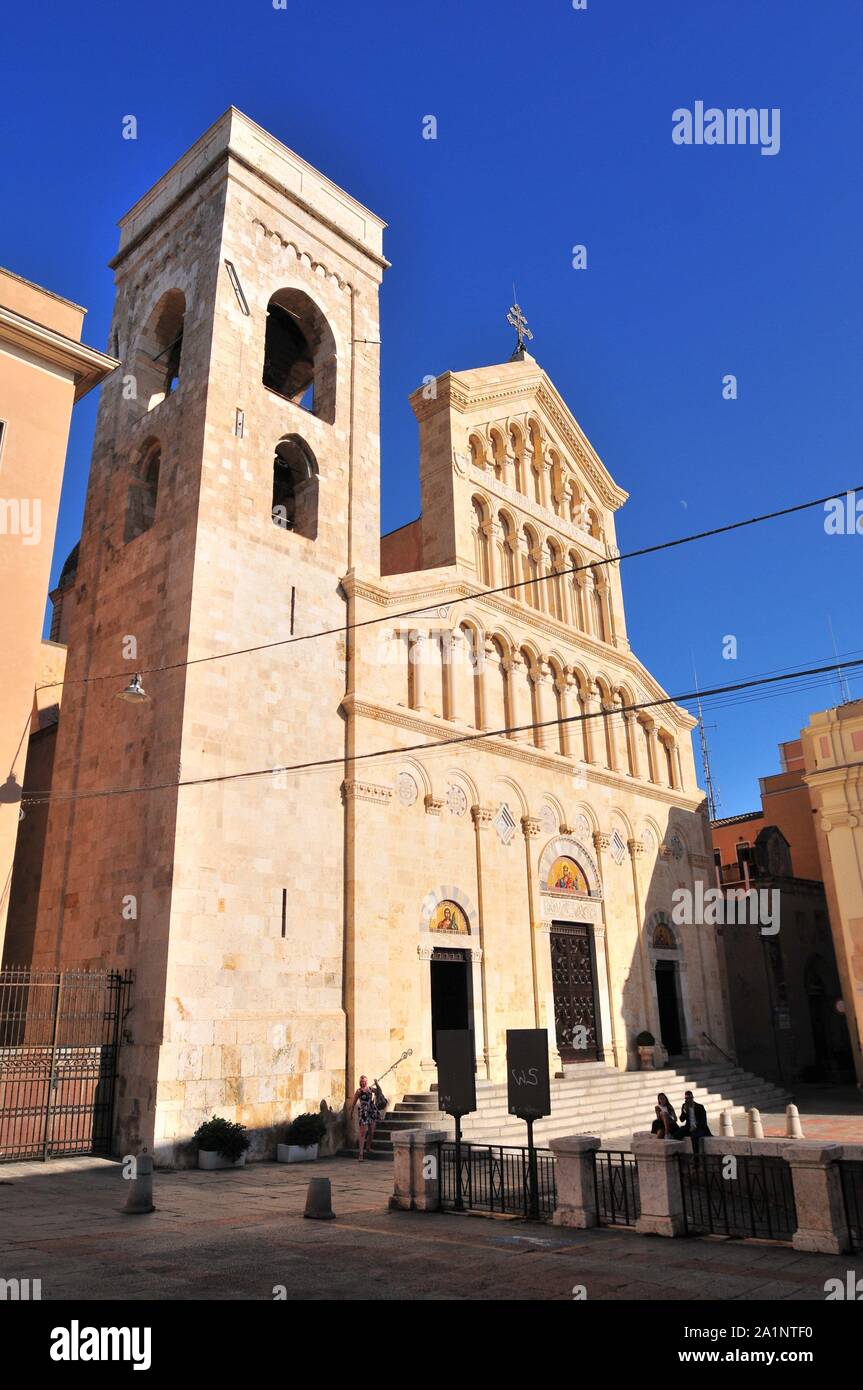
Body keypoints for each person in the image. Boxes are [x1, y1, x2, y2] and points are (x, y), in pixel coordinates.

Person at [349, 1074, 382, 1161]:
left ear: (367, 1082)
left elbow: (379, 1092)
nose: (363, 1083)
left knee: (371, 1131)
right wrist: (351, 1113)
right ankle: (360, 1154)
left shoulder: (370, 1089)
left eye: (364, 1081)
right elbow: (353, 1103)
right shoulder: (359, 1091)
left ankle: (368, 1147)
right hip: (363, 1112)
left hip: (372, 1111)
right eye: (361, 1081)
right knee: (362, 1132)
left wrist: (377, 1084)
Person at [679, 1090, 712, 1156]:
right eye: (686, 1099)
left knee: (694, 1137)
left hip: (699, 1127)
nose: (688, 1100)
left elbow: (703, 1121)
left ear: (693, 1098)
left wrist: (695, 1126)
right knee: (677, 1134)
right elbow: (681, 1120)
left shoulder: (700, 1107)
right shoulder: (684, 1106)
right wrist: (685, 1111)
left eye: (690, 1098)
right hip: (689, 1127)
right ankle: (680, 1156)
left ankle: (696, 1160)